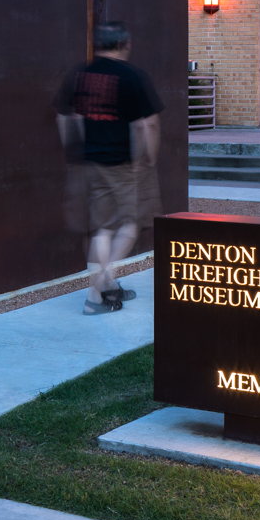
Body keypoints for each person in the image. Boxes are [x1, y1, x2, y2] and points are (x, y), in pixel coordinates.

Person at [55, 22, 161, 315]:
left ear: (98, 44)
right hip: (122, 164)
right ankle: (96, 291)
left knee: (102, 228)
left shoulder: (79, 75)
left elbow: (64, 117)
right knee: (129, 224)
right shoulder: (132, 76)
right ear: (125, 44)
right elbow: (147, 123)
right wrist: (150, 157)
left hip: (89, 160)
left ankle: (108, 285)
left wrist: (73, 149)